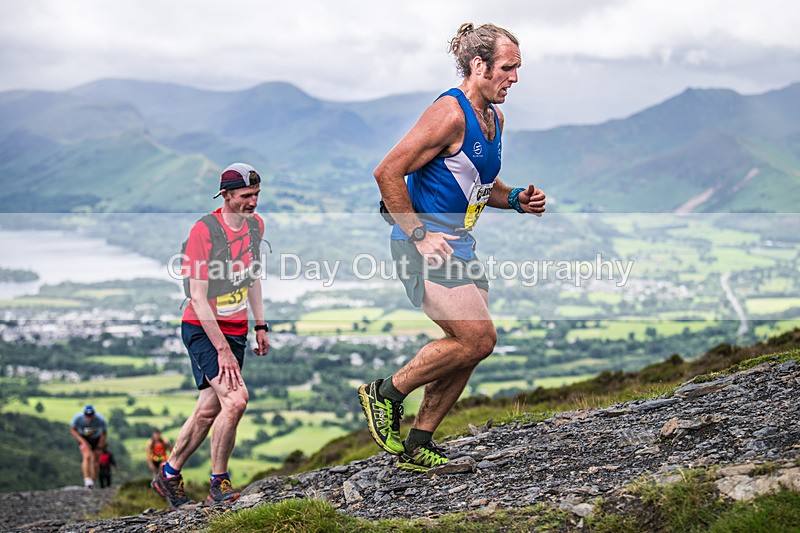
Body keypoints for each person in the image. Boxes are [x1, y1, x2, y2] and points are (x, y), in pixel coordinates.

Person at [359, 23, 547, 472]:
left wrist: (515, 198)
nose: (515, 78)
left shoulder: (495, 118)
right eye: (508, 67)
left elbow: (479, 185)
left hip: (460, 245)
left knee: (470, 344)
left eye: (518, 68)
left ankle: (419, 441)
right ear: (478, 65)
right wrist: (419, 235)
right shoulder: (450, 113)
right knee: (479, 337)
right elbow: (387, 172)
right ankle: (384, 393)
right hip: (424, 246)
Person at [151, 162, 269, 509]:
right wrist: (223, 350)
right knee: (235, 400)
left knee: (208, 409)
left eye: (257, 195)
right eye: (246, 196)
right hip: (203, 329)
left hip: (237, 330)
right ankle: (219, 483)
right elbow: (198, 297)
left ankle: (168, 474)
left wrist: (260, 325)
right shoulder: (204, 232)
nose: (253, 202)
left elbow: (253, 278)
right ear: (227, 196)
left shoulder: (255, 226)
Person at [69, 405, 108, 488]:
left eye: (91, 416)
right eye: (87, 416)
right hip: (84, 438)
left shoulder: (100, 419)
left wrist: (100, 446)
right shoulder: (78, 418)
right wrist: (82, 441)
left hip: (96, 439)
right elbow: (73, 429)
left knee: (95, 461)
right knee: (87, 457)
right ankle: (87, 480)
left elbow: (104, 433)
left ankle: (92, 482)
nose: (89, 419)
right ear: (84, 415)